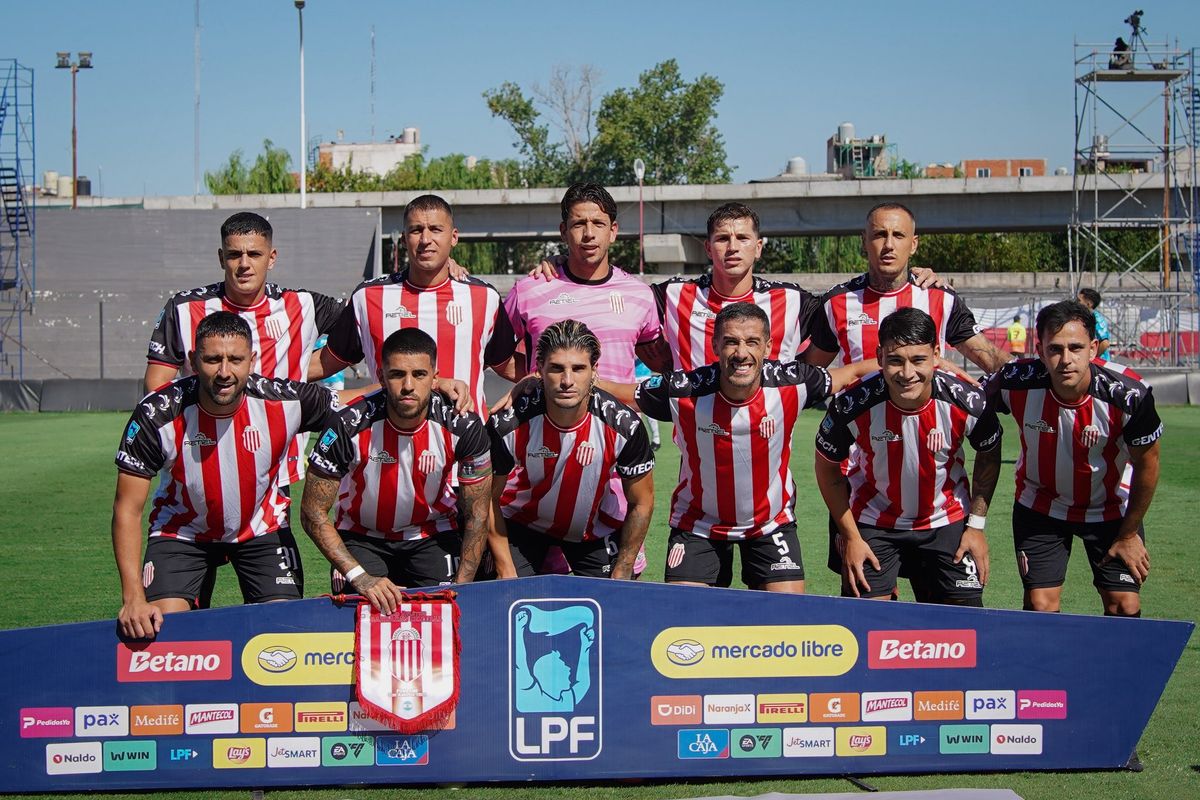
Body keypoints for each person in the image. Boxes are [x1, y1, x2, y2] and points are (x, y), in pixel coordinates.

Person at [805, 201, 1012, 594]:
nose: (888, 244)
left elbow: (986, 357)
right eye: (879, 234)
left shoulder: (940, 298)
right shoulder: (836, 303)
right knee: (873, 600)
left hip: (930, 462)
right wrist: (868, 370)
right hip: (858, 477)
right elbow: (812, 375)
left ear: (913, 245)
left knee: (941, 603)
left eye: (898, 235)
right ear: (864, 242)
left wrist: (1037, 376)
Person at [113, 311, 340, 639]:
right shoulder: (158, 413)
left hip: (261, 530)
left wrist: (426, 385)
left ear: (252, 360)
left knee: (281, 638)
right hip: (182, 532)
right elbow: (127, 509)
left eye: (235, 359)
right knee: (164, 632)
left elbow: (357, 407)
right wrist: (133, 598)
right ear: (192, 360)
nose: (224, 372)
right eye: (212, 359)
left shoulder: (284, 399)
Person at [630, 303, 870, 592]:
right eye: (731, 342)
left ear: (768, 347)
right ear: (715, 345)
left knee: (786, 625)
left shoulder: (794, 383)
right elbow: (624, 394)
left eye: (752, 342)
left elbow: (854, 372)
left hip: (770, 523)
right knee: (687, 621)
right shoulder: (685, 389)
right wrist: (579, 383)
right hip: (699, 524)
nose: (741, 353)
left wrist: (931, 365)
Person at [504, 182, 663, 571]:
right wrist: (530, 379)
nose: (588, 233)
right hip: (539, 468)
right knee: (520, 598)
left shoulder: (639, 295)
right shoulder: (530, 290)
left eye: (598, 223)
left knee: (612, 600)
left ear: (614, 230)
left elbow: (661, 362)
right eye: (578, 224)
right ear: (563, 231)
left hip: (611, 470)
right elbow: (494, 352)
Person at [814, 307, 1004, 605]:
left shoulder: (969, 401)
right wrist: (851, 536)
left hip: (947, 521)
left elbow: (989, 456)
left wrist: (976, 526)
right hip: (874, 522)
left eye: (918, 360)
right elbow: (827, 470)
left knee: (965, 630)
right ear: (879, 357)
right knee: (865, 625)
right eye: (895, 360)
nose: (907, 373)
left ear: (936, 354)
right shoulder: (850, 405)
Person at [983, 300, 1162, 616]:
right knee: (1040, 605)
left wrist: (1130, 533)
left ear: (1093, 348)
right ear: (1039, 349)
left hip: (1110, 510)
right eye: (1055, 349)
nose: (1065, 359)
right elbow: (963, 399)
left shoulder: (1129, 395)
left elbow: (1149, 464)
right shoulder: (1015, 381)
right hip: (1040, 507)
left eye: (1075, 348)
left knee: (1125, 605)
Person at [144, 212, 343, 487]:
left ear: (271, 257)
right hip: (202, 458)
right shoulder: (183, 309)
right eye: (235, 254)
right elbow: (156, 386)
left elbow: (365, 329)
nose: (244, 264)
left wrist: (299, 367)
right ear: (221, 257)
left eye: (255, 254)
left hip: (274, 468)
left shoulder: (304, 305)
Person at [300, 328, 492, 613]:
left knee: (442, 614)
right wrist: (360, 578)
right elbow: (312, 512)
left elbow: (477, 514)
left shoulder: (463, 426)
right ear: (380, 376)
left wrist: (460, 589)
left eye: (419, 374)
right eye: (397, 374)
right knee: (370, 615)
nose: (408, 386)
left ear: (435, 377)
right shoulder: (346, 424)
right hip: (363, 535)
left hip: (431, 534)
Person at [320, 194, 519, 416]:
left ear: (453, 237)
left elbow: (509, 366)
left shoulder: (484, 297)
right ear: (404, 239)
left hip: (465, 443)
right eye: (416, 230)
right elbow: (327, 362)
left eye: (435, 229)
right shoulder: (367, 297)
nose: (426, 239)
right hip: (386, 444)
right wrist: (276, 379)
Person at [489, 320, 655, 581]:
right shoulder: (508, 423)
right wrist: (505, 568)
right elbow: (487, 498)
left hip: (593, 530)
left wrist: (623, 567)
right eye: (556, 369)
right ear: (539, 369)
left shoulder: (625, 425)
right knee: (503, 592)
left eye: (578, 368)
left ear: (594, 370)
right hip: (522, 524)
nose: (567, 380)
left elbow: (641, 502)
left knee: (613, 602)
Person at [1076, 288, 1111, 361]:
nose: (1075, 303)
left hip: (1098, 365)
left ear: (1089, 304)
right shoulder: (1082, 318)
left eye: (1078, 300)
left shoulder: (1096, 319)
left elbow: (1105, 343)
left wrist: (1094, 358)